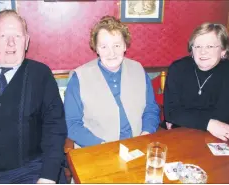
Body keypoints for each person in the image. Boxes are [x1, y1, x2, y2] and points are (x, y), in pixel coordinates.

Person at [0, 10, 67, 183]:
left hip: (30, 171)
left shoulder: (41, 74)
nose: (11, 43)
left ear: (26, 41)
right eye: (3, 36)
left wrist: (48, 176)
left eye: (17, 36)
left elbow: (54, 127)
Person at [64, 16, 160, 148]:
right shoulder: (79, 78)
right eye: (104, 47)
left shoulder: (138, 69)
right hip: (96, 149)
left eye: (117, 45)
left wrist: (146, 134)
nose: (112, 53)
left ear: (125, 46)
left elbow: (151, 108)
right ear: (96, 48)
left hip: (137, 145)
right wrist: (103, 146)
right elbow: (72, 124)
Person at [164, 22, 229, 143]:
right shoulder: (178, 68)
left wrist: (184, 116)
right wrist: (209, 123)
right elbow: (171, 113)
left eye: (210, 46)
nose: (203, 52)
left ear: (223, 51)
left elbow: (223, 116)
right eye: (198, 46)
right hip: (179, 133)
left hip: (214, 137)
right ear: (192, 50)